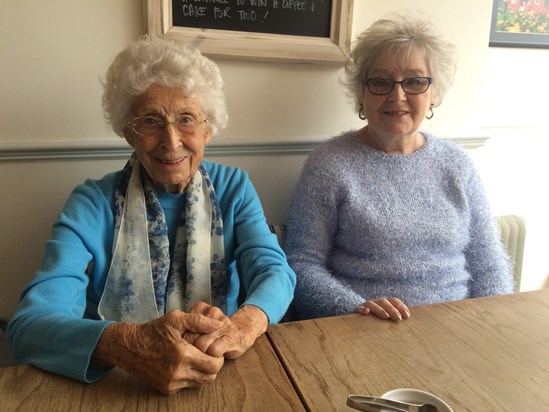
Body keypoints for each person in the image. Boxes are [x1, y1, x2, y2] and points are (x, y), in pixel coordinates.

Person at [7, 35, 296, 395]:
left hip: (224, 376)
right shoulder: (91, 203)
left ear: (209, 128)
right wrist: (128, 344)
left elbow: (275, 271)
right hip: (118, 386)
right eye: (150, 121)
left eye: (186, 119)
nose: (171, 141)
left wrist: (243, 325)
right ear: (129, 131)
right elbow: (28, 328)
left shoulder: (233, 187)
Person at [285, 13, 513, 322]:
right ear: (362, 96)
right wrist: (357, 308)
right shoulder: (328, 166)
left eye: (415, 81)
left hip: (457, 328)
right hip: (364, 332)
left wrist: (495, 323)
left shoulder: (458, 166)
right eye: (380, 82)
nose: (398, 96)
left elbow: (489, 265)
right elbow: (301, 265)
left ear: (433, 95)